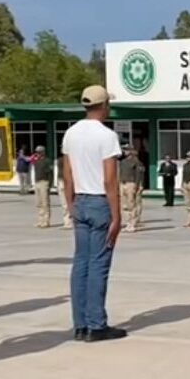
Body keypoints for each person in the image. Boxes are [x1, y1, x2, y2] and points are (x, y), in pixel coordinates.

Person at [62, 85, 126, 343]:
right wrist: (117, 215)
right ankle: (96, 324)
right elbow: (110, 179)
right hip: (100, 201)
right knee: (99, 264)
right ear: (104, 106)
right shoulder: (106, 136)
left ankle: (80, 324)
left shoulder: (71, 133)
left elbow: (66, 174)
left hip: (79, 199)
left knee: (81, 264)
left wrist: (71, 203)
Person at [119, 145, 145, 233]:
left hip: (131, 183)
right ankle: (127, 223)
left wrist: (137, 185)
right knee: (124, 205)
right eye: (124, 150)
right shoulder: (122, 161)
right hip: (123, 183)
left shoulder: (136, 162)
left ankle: (133, 223)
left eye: (126, 150)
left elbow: (138, 174)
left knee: (131, 204)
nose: (125, 152)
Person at [33, 145, 53, 228]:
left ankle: (46, 221)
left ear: (43, 152)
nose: (38, 153)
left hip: (44, 182)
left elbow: (50, 174)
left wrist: (50, 185)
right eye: (37, 152)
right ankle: (40, 220)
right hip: (37, 183)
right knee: (39, 203)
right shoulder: (36, 162)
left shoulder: (47, 161)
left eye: (39, 152)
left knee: (45, 203)